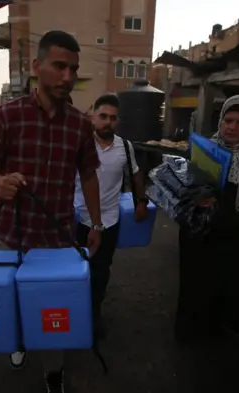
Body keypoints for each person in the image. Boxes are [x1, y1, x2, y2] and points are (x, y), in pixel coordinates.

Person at [0, 30, 102, 393]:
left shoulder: (80, 124)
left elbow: (89, 174)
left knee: (53, 313)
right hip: (11, 236)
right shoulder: (6, 116)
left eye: (73, 69)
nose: (68, 76)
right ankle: (16, 343)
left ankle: (53, 373)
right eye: (59, 66)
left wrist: (96, 224)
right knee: (11, 303)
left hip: (57, 240)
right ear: (37, 67)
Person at [175, 95, 239, 342]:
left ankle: (223, 330)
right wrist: (198, 197)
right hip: (203, 231)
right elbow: (186, 183)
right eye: (228, 120)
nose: (232, 127)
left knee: (231, 285)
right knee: (197, 283)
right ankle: (192, 331)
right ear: (220, 122)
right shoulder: (204, 149)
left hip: (236, 232)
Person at [74, 94, 149, 340]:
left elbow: (136, 175)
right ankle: (75, 311)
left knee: (101, 270)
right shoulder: (79, 145)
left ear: (118, 121)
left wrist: (141, 201)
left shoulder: (125, 148)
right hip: (77, 220)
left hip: (109, 221)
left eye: (113, 118)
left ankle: (94, 312)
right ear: (93, 116)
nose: (107, 122)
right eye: (103, 116)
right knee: (75, 269)